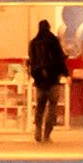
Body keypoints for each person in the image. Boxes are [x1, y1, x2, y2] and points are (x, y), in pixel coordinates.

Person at [26, 16, 68, 145]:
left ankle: (37, 131)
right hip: (53, 80)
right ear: (49, 28)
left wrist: (35, 75)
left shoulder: (33, 43)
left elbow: (31, 61)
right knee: (52, 108)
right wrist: (66, 73)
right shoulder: (53, 40)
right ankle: (46, 135)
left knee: (40, 107)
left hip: (39, 81)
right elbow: (60, 58)